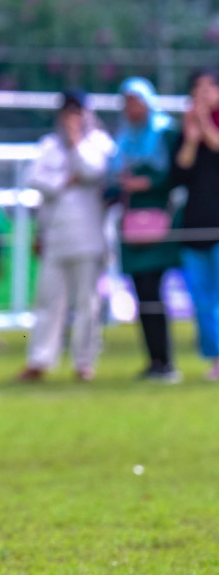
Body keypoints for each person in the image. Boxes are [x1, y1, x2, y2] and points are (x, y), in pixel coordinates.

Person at [20, 90, 116, 381]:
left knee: (87, 303)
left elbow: (92, 170)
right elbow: (35, 180)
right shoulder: (49, 145)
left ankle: (84, 362)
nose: (72, 118)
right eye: (68, 112)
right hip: (55, 235)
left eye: (78, 111)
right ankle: (40, 360)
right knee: (49, 301)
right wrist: (64, 181)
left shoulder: (99, 143)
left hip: (89, 235)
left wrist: (76, 143)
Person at [110, 77, 182, 381]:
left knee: (155, 292)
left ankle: (165, 361)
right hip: (131, 225)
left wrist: (148, 183)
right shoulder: (124, 139)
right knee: (142, 294)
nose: (132, 108)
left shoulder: (165, 133)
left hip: (160, 226)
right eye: (127, 102)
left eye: (136, 101)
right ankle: (154, 361)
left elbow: (177, 174)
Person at [172, 68, 219, 381]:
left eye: (207, 89)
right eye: (196, 90)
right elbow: (179, 174)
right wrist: (191, 138)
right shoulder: (186, 132)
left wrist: (206, 126)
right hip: (195, 225)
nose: (200, 96)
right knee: (202, 301)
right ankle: (215, 359)